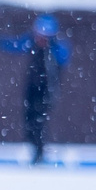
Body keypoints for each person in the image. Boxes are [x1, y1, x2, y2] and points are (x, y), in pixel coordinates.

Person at [17, 14, 68, 162]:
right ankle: (35, 149)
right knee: (29, 121)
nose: (40, 39)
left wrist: (53, 45)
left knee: (38, 122)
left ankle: (39, 152)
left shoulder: (55, 49)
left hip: (46, 91)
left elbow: (64, 57)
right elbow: (17, 45)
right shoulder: (31, 43)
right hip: (32, 90)